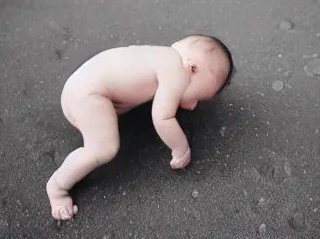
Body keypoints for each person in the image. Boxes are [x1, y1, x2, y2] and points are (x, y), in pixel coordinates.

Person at [46, 34, 235, 220]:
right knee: (104, 149)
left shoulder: (160, 55)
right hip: (88, 98)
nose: (193, 105)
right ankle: (57, 187)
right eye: (197, 97)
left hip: (77, 86)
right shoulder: (178, 71)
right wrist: (181, 148)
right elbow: (163, 118)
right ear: (192, 67)